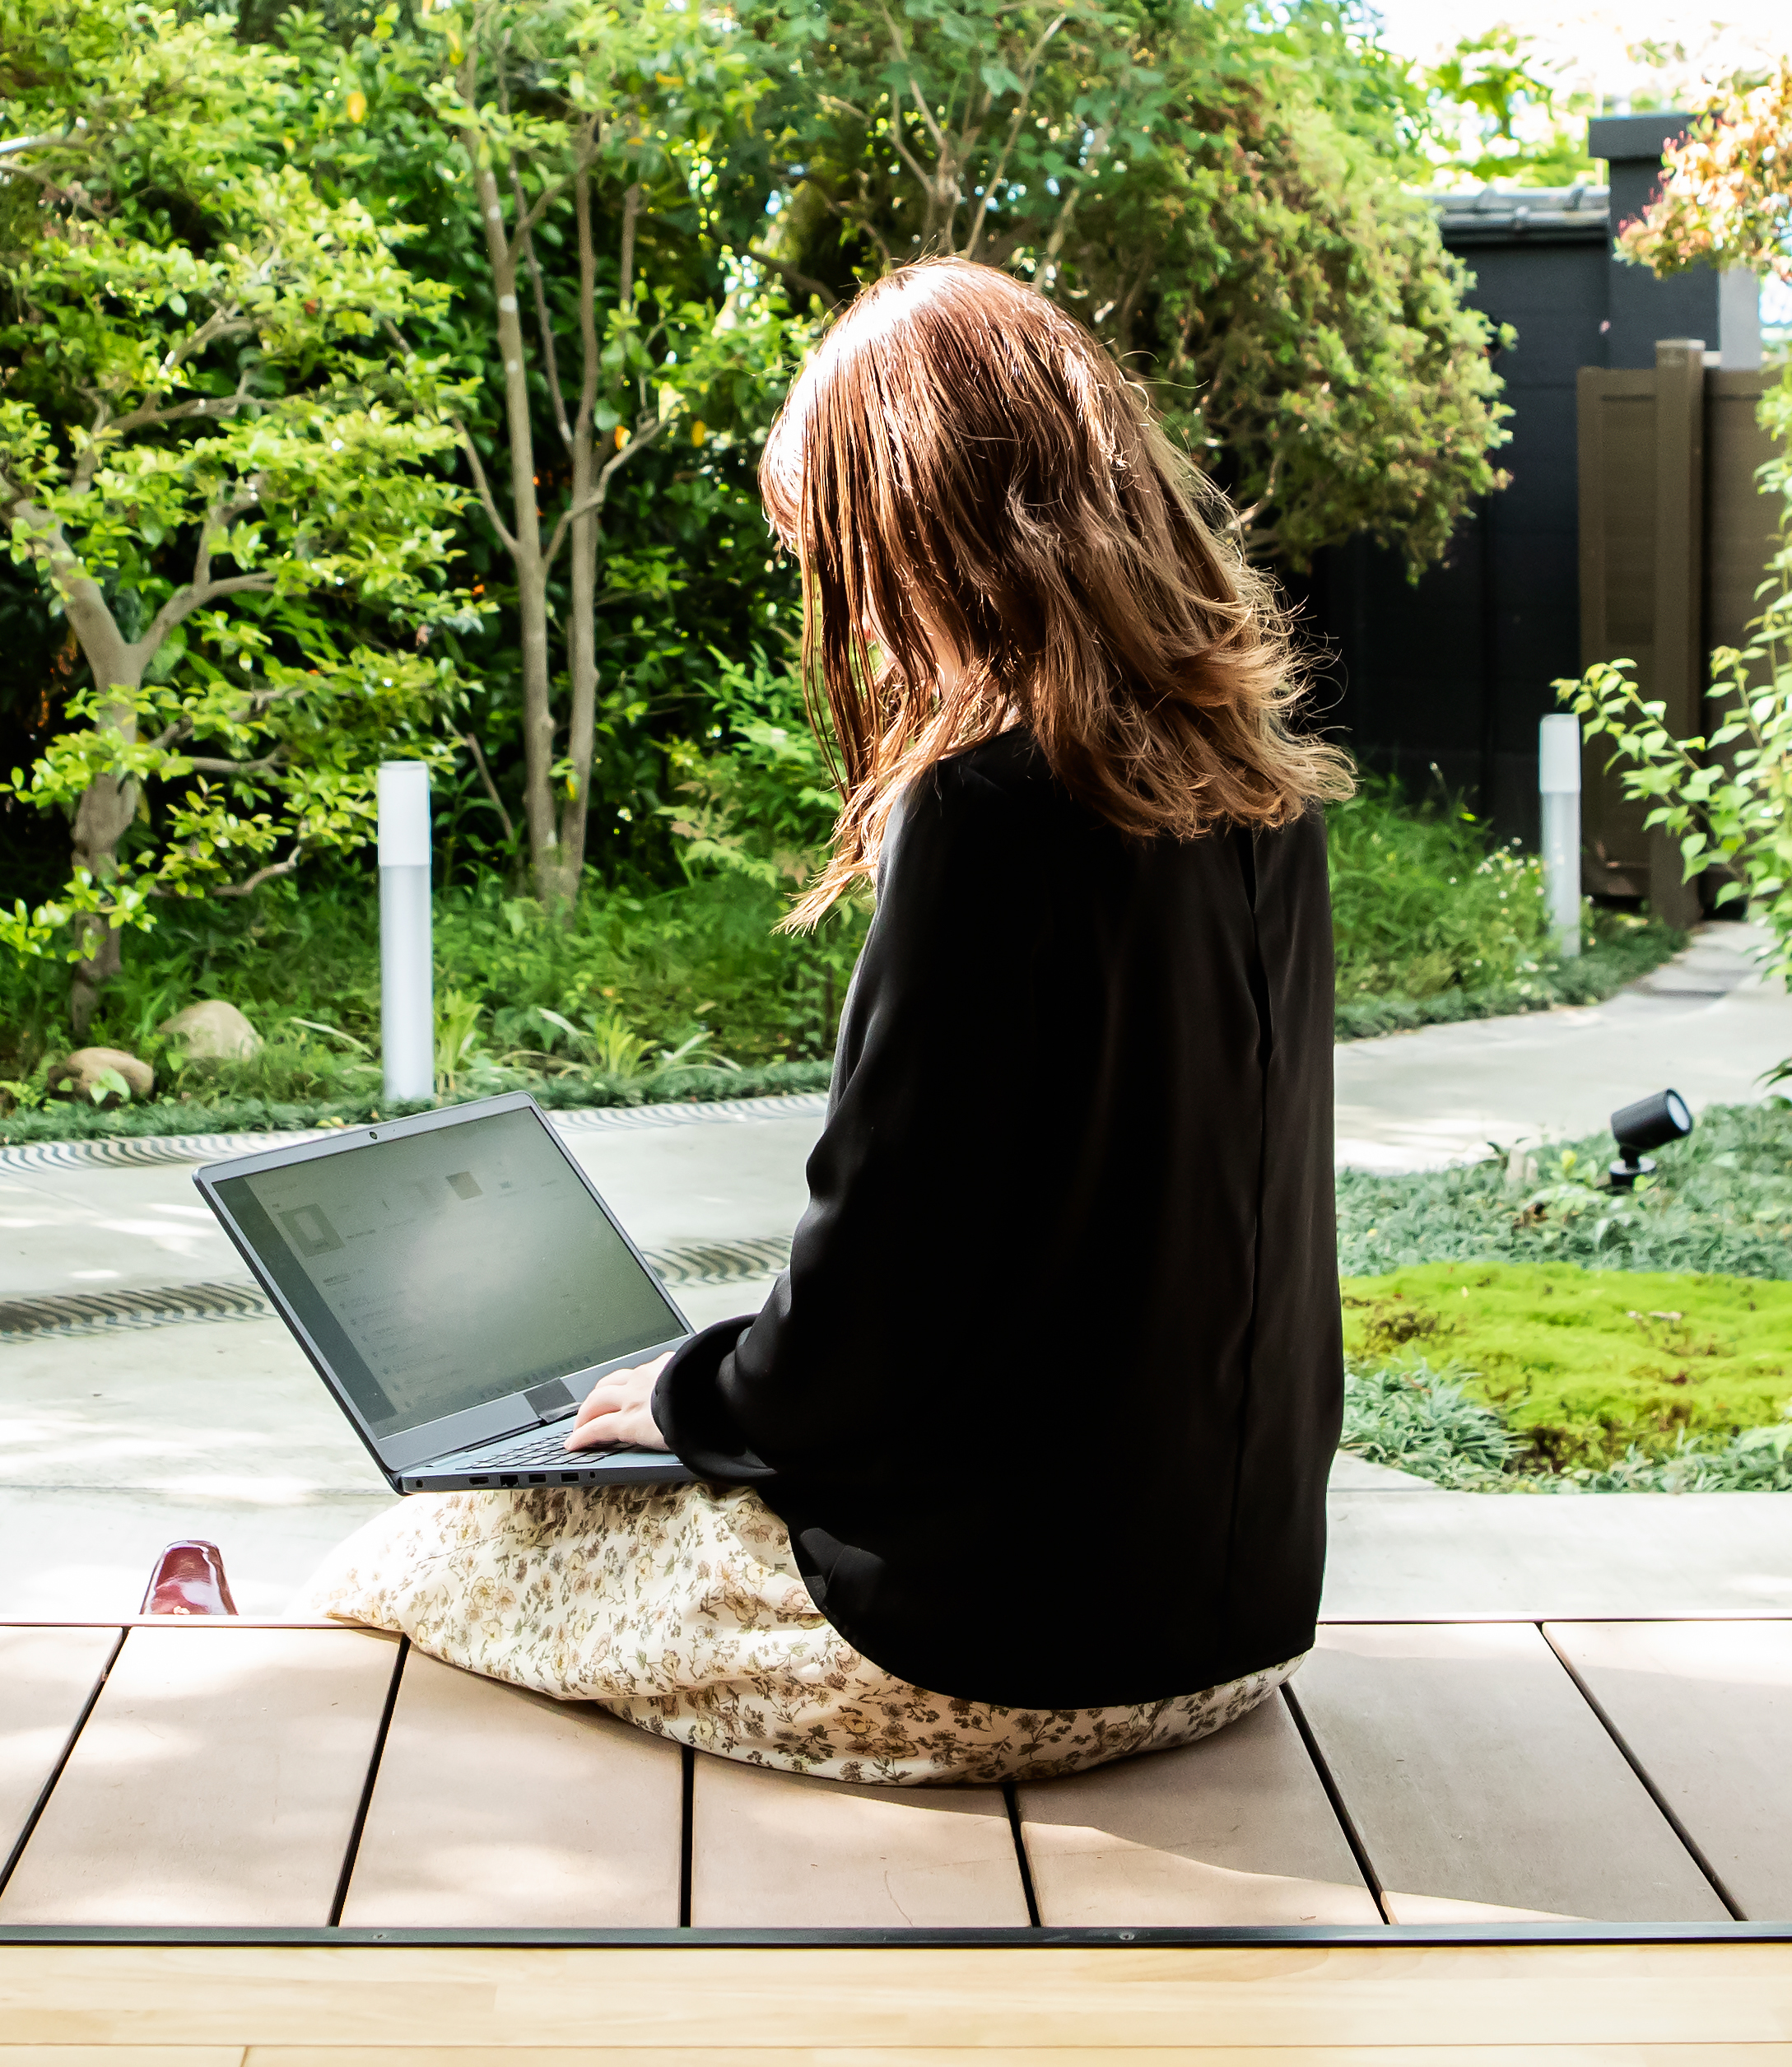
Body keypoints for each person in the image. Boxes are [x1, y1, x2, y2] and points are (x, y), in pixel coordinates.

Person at [303, 257, 1347, 1787]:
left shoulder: (986, 811)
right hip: (1234, 1630)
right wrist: (730, 1382)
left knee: (424, 1550)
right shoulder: (1263, 802)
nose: (853, 615)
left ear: (931, 531)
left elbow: (874, 1309)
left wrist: (687, 1393)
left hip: (997, 1654)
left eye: (837, 554)